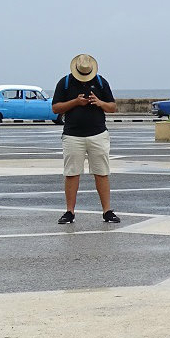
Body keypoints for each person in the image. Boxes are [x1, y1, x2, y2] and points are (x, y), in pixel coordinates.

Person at [51, 54, 119, 224]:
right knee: (72, 173)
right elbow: (55, 108)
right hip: (72, 135)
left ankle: (107, 211)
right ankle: (69, 212)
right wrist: (75, 102)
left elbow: (112, 107)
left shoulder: (101, 82)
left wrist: (99, 102)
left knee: (102, 172)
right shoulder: (65, 83)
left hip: (98, 134)